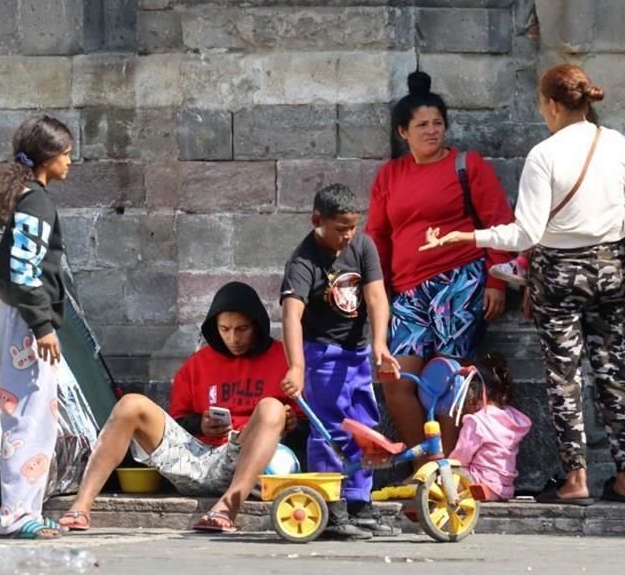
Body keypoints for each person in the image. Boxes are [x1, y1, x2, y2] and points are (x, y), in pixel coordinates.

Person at [420, 63, 625, 506]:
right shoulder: (617, 144)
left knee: (564, 376)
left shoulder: (544, 155)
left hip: (560, 270)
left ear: (552, 104)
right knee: (611, 369)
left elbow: (525, 235)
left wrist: (470, 235)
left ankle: (576, 478)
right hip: (611, 266)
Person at [57, 281, 306, 534]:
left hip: (246, 461)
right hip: (192, 457)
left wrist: (292, 424)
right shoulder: (197, 364)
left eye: (242, 329)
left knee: (272, 407)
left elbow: (306, 425)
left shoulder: (283, 358)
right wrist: (201, 424)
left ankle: (228, 507)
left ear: (258, 326)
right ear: (214, 328)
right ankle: (81, 507)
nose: (234, 338)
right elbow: (178, 421)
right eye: (225, 329)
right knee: (130, 403)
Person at [366, 71, 515, 460]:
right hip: (407, 290)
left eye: (438, 123)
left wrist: (497, 279)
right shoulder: (390, 175)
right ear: (404, 132)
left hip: (460, 279)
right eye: (422, 125)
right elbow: (377, 237)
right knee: (396, 379)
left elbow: (500, 222)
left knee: (445, 378)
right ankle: (429, 466)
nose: (432, 131)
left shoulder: (468, 165)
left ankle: (449, 470)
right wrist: (375, 290)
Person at [0, 115, 75, 539]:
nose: (70, 161)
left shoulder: (13, 197)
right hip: (27, 325)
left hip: (13, 318)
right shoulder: (37, 202)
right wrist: (42, 326)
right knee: (28, 419)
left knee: (32, 417)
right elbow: (27, 270)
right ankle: (16, 515)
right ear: (47, 159)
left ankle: (25, 508)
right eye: (66, 153)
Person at [280, 183, 399, 539]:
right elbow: (291, 316)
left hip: (358, 352)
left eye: (353, 226)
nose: (348, 235)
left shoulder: (363, 247)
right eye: (340, 228)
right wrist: (297, 366)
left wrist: (379, 344)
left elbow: (376, 297)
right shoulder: (303, 262)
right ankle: (331, 509)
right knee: (330, 430)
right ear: (317, 220)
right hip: (322, 356)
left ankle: (359, 503)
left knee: (365, 428)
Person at [488, 127, 625, 300]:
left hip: (611, 200)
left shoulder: (611, 141)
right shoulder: (556, 150)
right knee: (540, 214)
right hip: (574, 209)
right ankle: (522, 263)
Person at [448, 353, 531, 502]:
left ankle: (428, 503)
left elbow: (462, 455)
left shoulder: (477, 421)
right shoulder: (512, 419)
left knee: (445, 475)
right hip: (504, 488)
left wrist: (447, 465)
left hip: (478, 481)